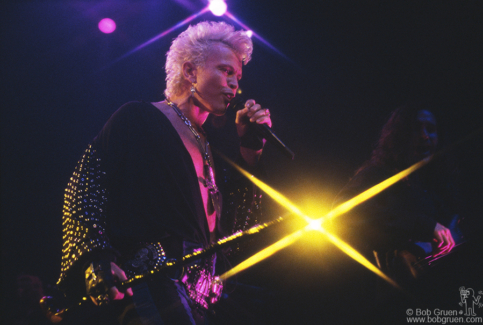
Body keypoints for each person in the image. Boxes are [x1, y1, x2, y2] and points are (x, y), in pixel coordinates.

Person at [56, 21, 272, 325]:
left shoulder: (210, 148)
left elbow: (239, 231)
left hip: (203, 302)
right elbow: (86, 184)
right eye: (225, 70)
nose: (235, 83)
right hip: (152, 287)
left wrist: (251, 153)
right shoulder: (139, 118)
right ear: (189, 71)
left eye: (237, 75)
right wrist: (94, 258)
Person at [333, 103, 464, 322]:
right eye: (416, 128)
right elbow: (341, 213)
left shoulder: (435, 186)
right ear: (401, 136)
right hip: (384, 303)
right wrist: (421, 224)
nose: (424, 136)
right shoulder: (377, 175)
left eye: (431, 129)